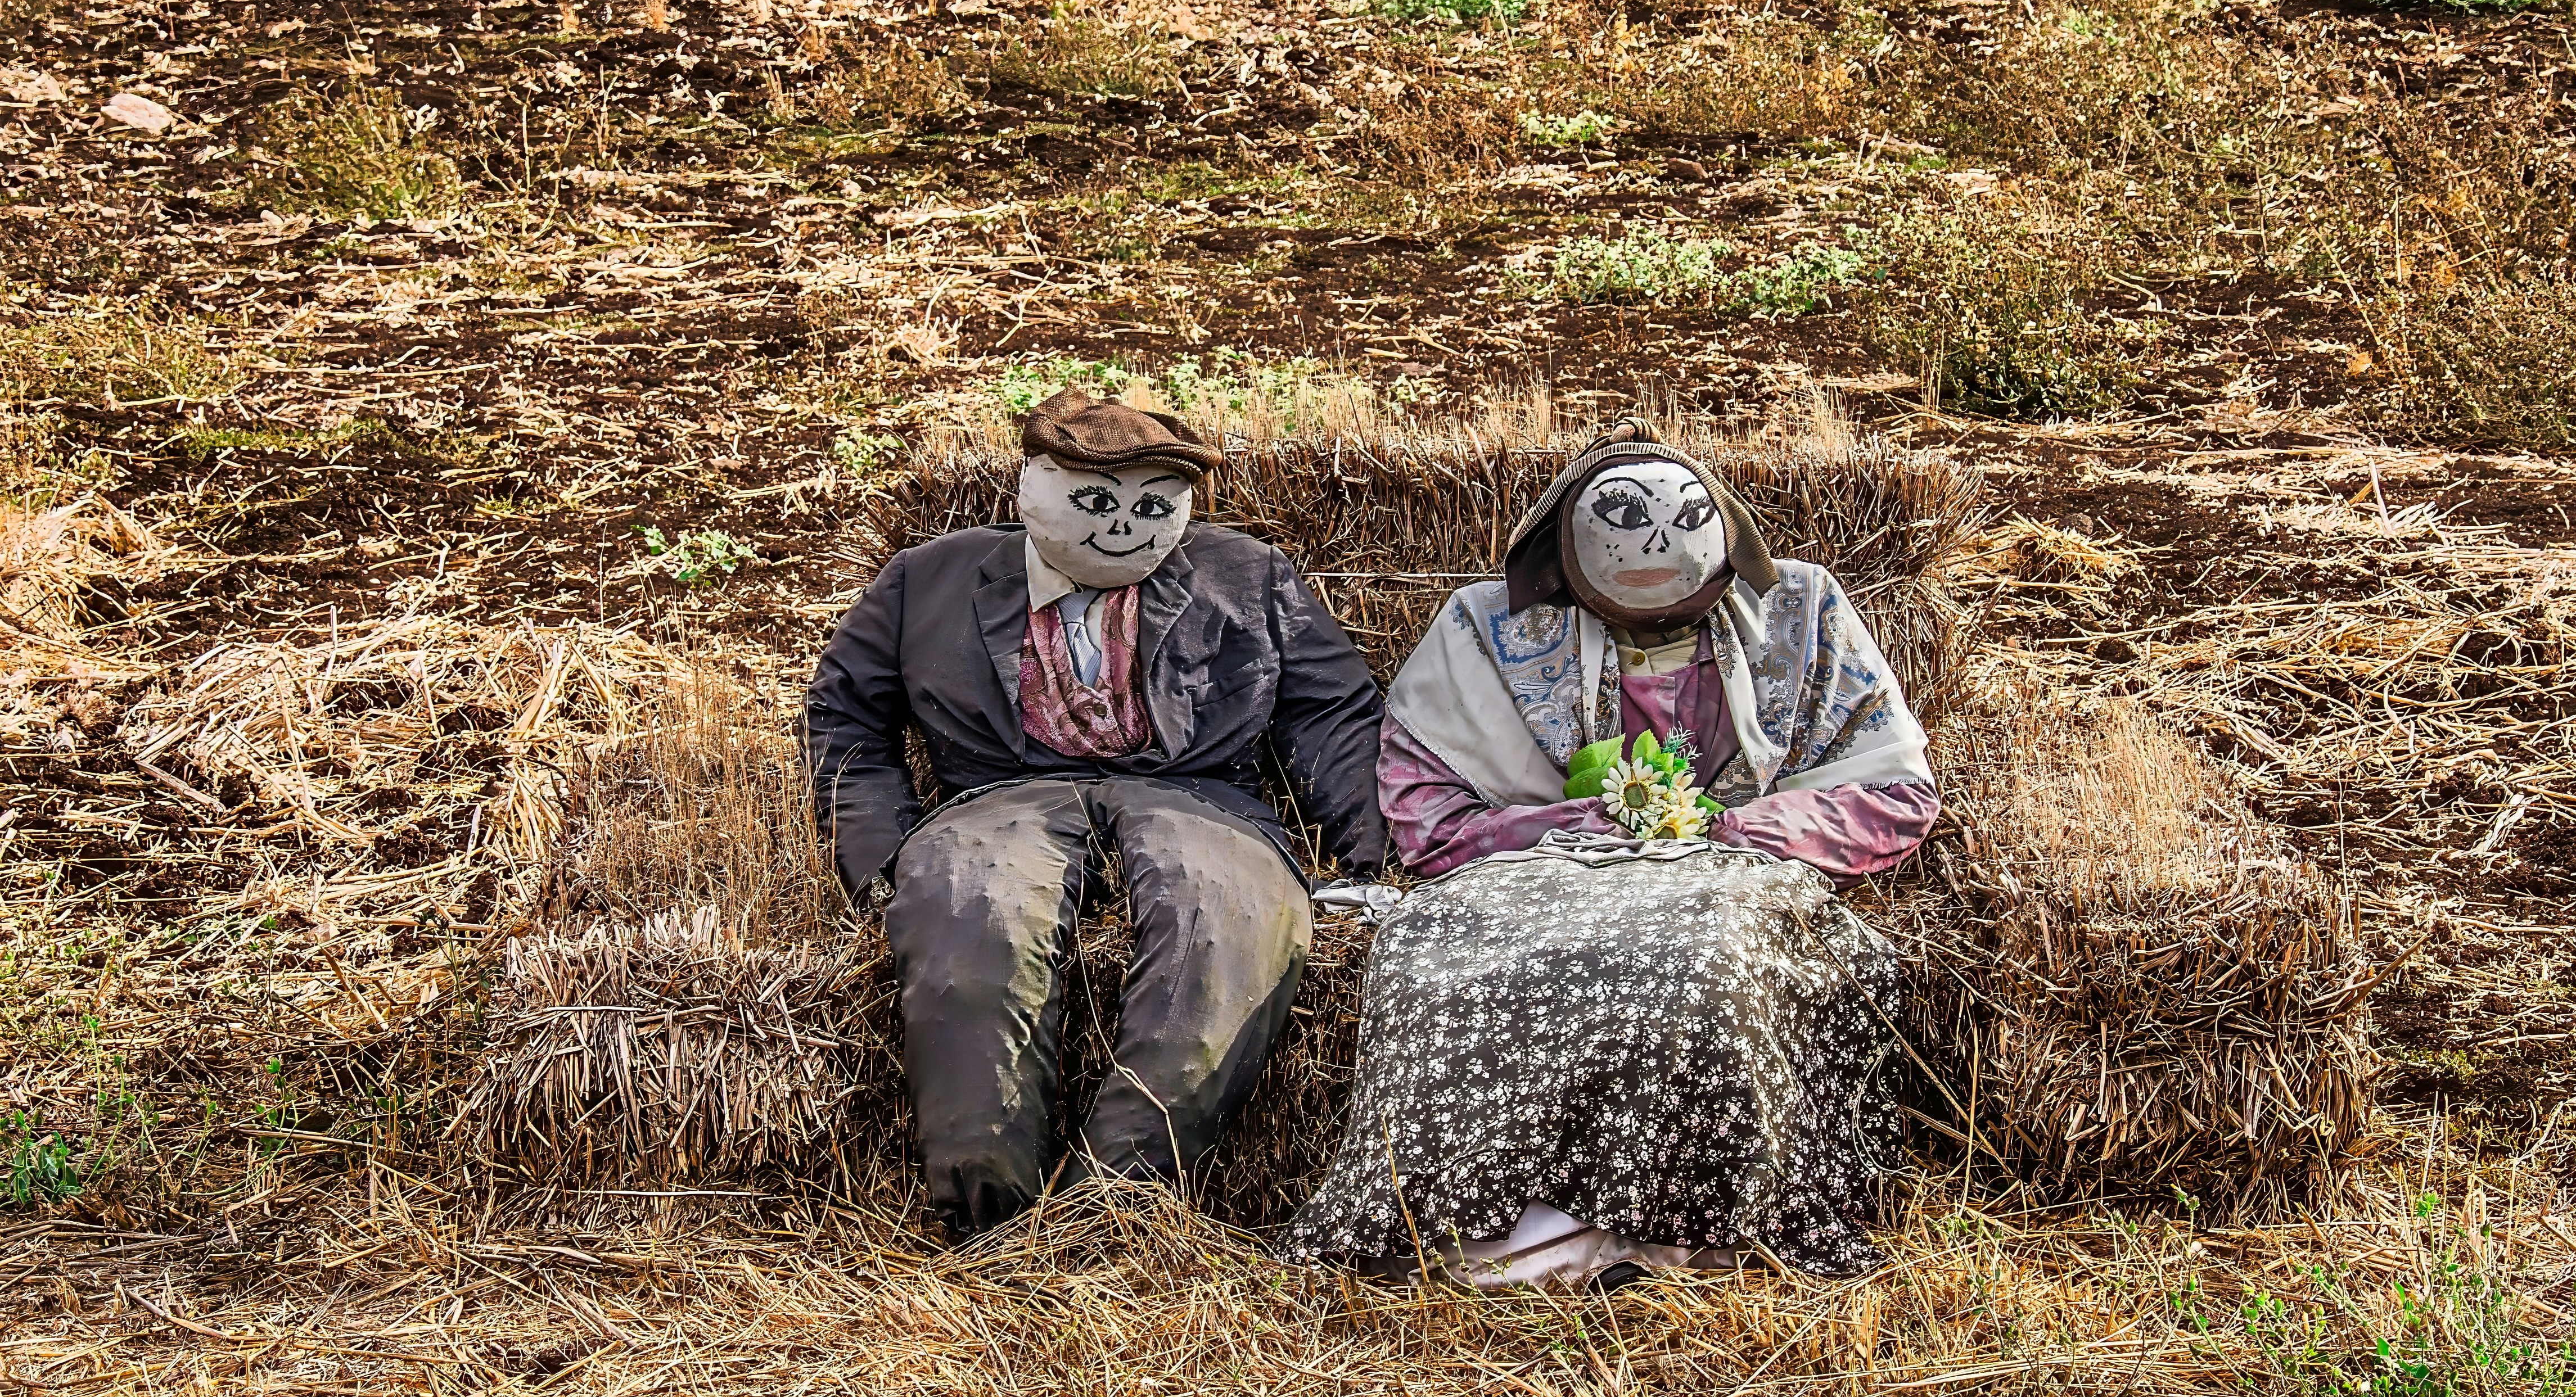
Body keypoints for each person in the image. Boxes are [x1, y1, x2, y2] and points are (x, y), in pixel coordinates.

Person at [1278, 424, 1939, 1287]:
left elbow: (1892, 792)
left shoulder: (1801, 610)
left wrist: (1730, 831)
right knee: (1431, 963)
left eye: (1677, 527)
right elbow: (1427, 810)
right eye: (1624, 526)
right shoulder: (1484, 629)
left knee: (1705, 959)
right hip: (1533, 870)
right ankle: (1501, 1231)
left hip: (1729, 868)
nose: (1654, 547)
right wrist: (1567, 831)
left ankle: (1690, 1225)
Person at [805, 388, 1386, 1241]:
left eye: (1151, 507)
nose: (1123, 525)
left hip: (1197, 793)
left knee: (1225, 926)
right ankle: (989, 1212)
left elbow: (1330, 711)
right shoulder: (927, 577)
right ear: (1036, 491)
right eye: (1095, 501)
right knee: (974, 920)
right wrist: (882, 850)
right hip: (998, 795)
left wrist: (1367, 856)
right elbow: (846, 713)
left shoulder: (1249, 575)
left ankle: (1115, 1207)